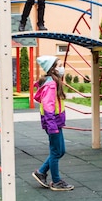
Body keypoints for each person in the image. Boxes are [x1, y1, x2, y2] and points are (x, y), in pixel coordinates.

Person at [32, 55, 74, 191]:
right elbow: (48, 107)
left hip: (56, 122)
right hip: (53, 123)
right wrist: (52, 126)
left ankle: (41, 172)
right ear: (52, 69)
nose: (62, 68)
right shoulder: (51, 85)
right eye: (59, 65)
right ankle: (56, 181)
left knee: (61, 151)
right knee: (56, 152)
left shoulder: (53, 82)